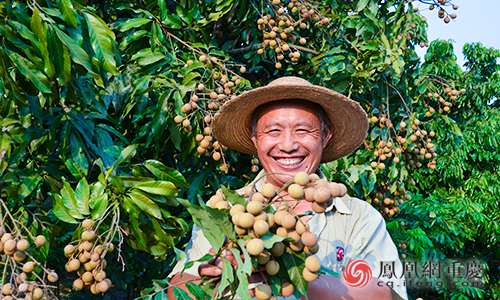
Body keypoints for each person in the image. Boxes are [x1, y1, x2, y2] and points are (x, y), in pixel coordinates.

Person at [167, 77, 407, 300]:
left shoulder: (360, 217)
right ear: (254, 138)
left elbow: (386, 293)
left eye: (303, 130)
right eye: (273, 131)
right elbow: (174, 287)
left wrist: (287, 271)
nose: (288, 145)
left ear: (325, 136)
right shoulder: (225, 209)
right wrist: (209, 272)